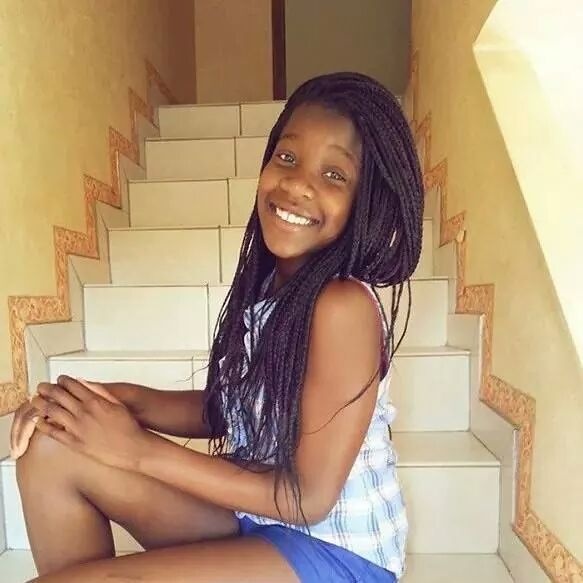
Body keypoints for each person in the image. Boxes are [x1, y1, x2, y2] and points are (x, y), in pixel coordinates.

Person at [11, 71, 424, 582]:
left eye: (334, 175)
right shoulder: (273, 287)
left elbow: (309, 498)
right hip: (258, 518)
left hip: (335, 552)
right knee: (52, 444)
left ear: (368, 201)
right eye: (287, 157)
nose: (297, 183)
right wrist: (113, 400)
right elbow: (228, 408)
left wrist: (138, 450)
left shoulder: (344, 306)